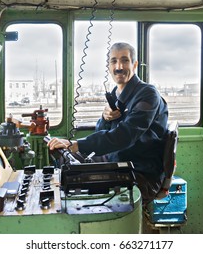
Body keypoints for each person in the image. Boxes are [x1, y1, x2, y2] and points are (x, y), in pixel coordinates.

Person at [47, 42, 168, 204]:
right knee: (67, 164)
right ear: (108, 66)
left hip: (140, 172)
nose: (119, 66)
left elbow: (124, 136)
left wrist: (74, 144)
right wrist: (105, 118)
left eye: (125, 60)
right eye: (114, 61)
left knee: (75, 171)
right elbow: (101, 131)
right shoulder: (116, 95)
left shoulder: (147, 94)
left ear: (135, 64)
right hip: (118, 160)